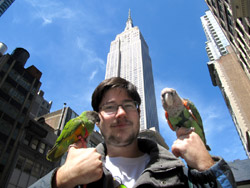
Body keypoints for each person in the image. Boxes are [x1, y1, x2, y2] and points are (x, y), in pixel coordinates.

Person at [30, 77, 236, 188]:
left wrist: (207, 167)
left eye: (128, 105)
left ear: (139, 114)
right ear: (98, 119)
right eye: (110, 107)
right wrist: (61, 179)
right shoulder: (74, 177)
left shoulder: (181, 172)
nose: (120, 113)